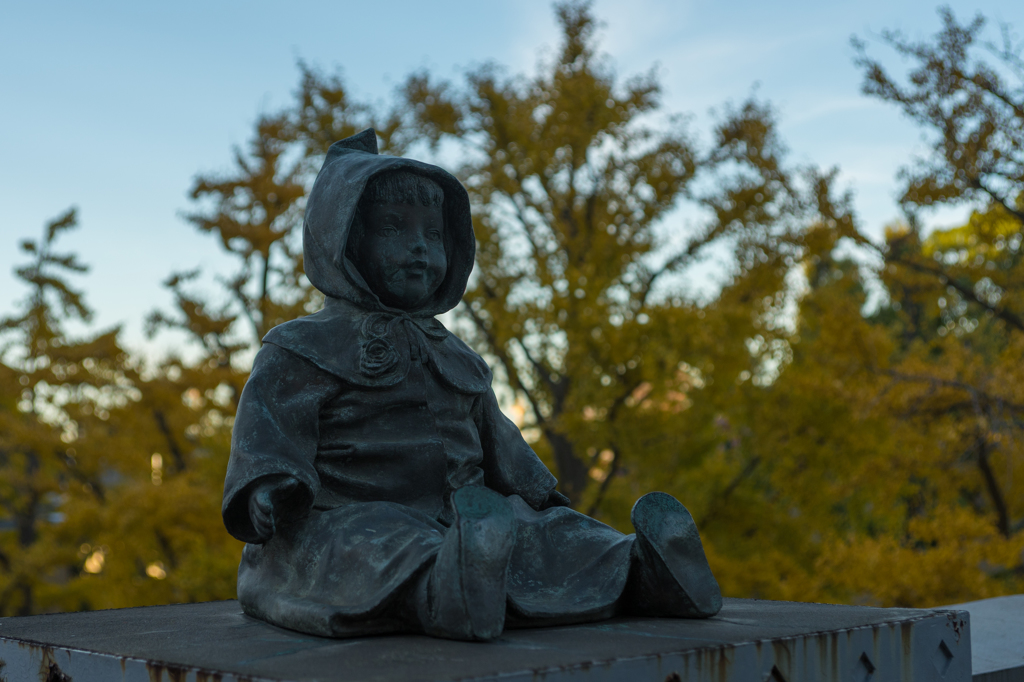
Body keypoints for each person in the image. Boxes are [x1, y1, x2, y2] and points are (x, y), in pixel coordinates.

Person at [221, 129, 721, 641]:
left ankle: (643, 570)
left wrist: (539, 497)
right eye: (394, 228)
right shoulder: (300, 346)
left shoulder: (454, 353)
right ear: (344, 239)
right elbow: (268, 433)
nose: (418, 246)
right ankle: (449, 591)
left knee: (553, 536)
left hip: (472, 515)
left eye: (433, 234)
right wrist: (266, 487)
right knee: (380, 549)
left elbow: (497, 436)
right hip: (350, 516)